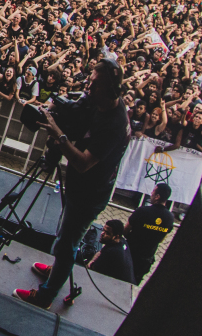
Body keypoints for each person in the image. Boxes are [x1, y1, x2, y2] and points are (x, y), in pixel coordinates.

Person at [15, 59, 131, 308]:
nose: (89, 88)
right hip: (79, 186)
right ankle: (58, 270)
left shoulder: (115, 124)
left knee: (68, 243)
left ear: (110, 91)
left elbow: (83, 163)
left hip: (91, 193)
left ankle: (46, 295)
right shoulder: (96, 102)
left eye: (95, 85)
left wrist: (59, 134)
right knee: (65, 232)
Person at [125, 183, 174, 284]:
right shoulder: (170, 218)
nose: (151, 193)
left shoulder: (142, 211)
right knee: (133, 283)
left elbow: (125, 230)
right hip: (146, 259)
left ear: (157, 196)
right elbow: (161, 240)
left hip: (130, 253)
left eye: (153, 191)